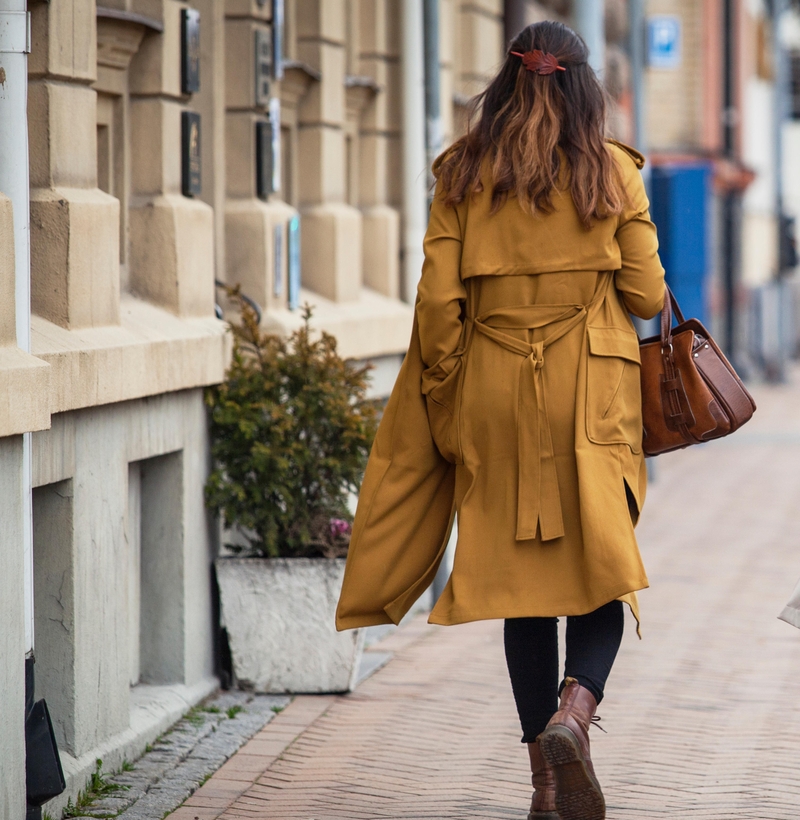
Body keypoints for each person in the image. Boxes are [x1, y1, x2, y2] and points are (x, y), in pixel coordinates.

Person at [336, 20, 665, 820]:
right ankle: (573, 716)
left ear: (506, 84)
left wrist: (449, 398)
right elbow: (649, 296)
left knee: (525, 591)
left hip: (491, 390)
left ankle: (545, 789)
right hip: (590, 390)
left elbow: (436, 307)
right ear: (586, 87)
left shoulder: (461, 174)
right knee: (603, 572)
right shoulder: (614, 174)